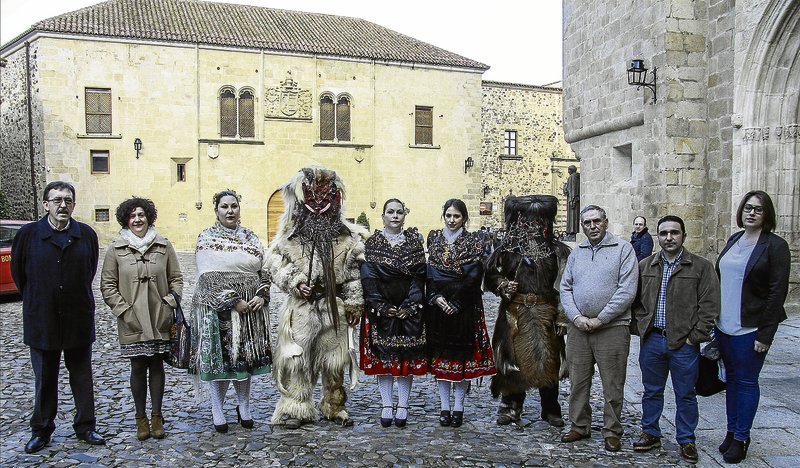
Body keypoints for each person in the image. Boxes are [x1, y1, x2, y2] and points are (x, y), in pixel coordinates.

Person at [10, 181, 106, 453]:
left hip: (77, 317)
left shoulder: (85, 234)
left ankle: (86, 426)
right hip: (42, 318)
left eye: (67, 200)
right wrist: (40, 298)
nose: (62, 205)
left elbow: (88, 271)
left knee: (82, 376)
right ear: (46, 204)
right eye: (57, 200)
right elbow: (20, 275)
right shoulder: (29, 235)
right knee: (45, 378)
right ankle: (41, 430)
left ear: (74, 205)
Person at [267, 167, 366, 429]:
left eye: (326, 196)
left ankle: (334, 406)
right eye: (314, 196)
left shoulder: (346, 236)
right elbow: (274, 262)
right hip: (303, 308)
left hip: (336, 307)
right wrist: (295, 282)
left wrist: (355, 302)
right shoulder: (290, 235)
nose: (320, 204)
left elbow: (353, 271)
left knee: (335, 361)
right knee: (297, 358)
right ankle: (296, 407)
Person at [632, 215, 720, 463]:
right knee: (651, 391)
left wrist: (695, 337)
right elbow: (634, 300)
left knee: (685, 393)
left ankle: (686, 439)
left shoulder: (701, 267)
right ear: (657, 236)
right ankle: (650, 432)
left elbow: (710, 306)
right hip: (653, 340)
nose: (669, 238)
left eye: (674, 233)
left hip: (684, 343)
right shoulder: (645, 266)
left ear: (684, 236)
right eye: (664, 233)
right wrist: (641, 325)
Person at [714, 190, 791, 464]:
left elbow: (777, 291)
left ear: (766, 214)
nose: (751, 213)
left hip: (750, 329)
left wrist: (765, 334)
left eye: (758, 209)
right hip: (724, 326)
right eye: (747, 208)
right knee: (730, 380)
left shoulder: (775, 246)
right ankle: (731, 430)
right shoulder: (734, 239)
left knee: (746, 382)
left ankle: (742, 437)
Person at [100, 197, 183, 441]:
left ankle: (157, 416)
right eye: (132, 216)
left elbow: (176, 277)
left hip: (159, 317)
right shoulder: (116, 248)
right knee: (137, 366)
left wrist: (170, 303)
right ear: (126, 220)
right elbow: (107, 284)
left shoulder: (164, 246)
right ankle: (140, 418)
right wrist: (123, 311)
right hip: (131, 318)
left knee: (157, 364)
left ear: (148, 217)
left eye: (141, 215)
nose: (137, 220)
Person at [485, 195, 571, 428]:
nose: (532, 225)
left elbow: (566, 283)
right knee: (512, 360)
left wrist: (563, 316)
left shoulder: (557, 250)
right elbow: (490, 275)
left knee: (549, 360)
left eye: (538, 220)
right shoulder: (507, 250)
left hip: (547, 313)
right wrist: (503, 284)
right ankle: (511, 406)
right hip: (515, 313)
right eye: (527, 220)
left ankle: (551, 408)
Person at [190, 190, 272, 433]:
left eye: (234, 206)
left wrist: (262, 294)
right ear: (216, 210)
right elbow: (207, 277)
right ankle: (218, 409)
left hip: (250, 310)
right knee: (223, 362)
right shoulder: (206, 237)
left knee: (244, 361)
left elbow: (264, 270)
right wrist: (233, 300)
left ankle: (243, 407)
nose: (230, 211)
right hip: (220, 311)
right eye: (224, 206)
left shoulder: (251, 237)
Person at [559, 204, 638, 452]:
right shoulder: (577, 252)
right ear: (582, 226)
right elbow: (565, 287)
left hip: (612, 328)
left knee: (612, 384)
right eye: (587, 223)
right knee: (578, 382)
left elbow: (627, 290)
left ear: (606, 222)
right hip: (579, 328)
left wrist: (601, 319)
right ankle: (579, 425)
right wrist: (576, 316)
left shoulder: (623, 249)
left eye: (596, 221)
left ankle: (612, 430)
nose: (592, 227)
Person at [425, 199, 496, 428]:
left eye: (456, 216)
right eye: (448, 216)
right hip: (439, 308)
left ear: (464, 218)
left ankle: (458, 407)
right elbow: (430, 274)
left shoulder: (473, 243)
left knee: (461, 359)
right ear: (443, 217)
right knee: (442, 359)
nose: (452, 220)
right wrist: (436, 297)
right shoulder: (435, 242)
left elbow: (474, 276)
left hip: (465, 307)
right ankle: (444, 406)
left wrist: (456, 302)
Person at [360, 199, 428, 427]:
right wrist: (381, 305)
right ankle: (387, 403)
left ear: (404, 216)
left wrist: (410, 305)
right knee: (385, 358)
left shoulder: (414, 244)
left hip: (409, 309)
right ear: (383, 216)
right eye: (390, 212)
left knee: (405, 359)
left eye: (399, 212)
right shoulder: (372, 244)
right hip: (382, 309)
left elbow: (419, 277)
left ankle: (404, 405)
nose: (395, 216)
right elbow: (368, 276)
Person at [562, 165, 580, 240]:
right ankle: (573, 232)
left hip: (572, 200)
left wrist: (572, 200)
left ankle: (572, 233)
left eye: (568, 169)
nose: (568, 171)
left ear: (571, 170)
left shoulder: (572, 177)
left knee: (572, 217)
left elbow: (571, 189)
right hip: (576, 200)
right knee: (574, 216)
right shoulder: (578, 177)